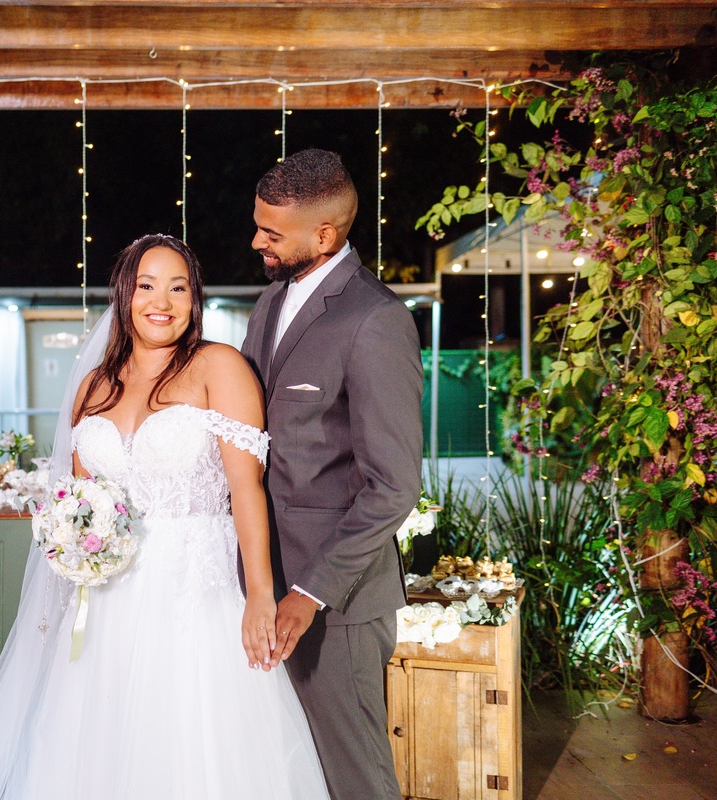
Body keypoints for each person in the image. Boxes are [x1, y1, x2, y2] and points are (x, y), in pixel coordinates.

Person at [0, 234, 328, 799]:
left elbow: (246, 488)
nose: (161, 301)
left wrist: (261, 592)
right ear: (124, 295)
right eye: (146, 285)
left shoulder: (220, 367)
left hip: (196, 599)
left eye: (178, 287)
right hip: (106, 604)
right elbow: (80, 499)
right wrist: (70, 543)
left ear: (194, 301)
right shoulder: (93, 387)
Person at [242, 149, 423, 800]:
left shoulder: (375, 320)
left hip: (335, 608)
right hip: (263, 593)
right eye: (258, 224)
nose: (256, 240)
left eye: (271, 231)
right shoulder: (267, 306)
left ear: (325, 234)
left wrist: (307, 594)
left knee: (355, 779)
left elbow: (394, 486)